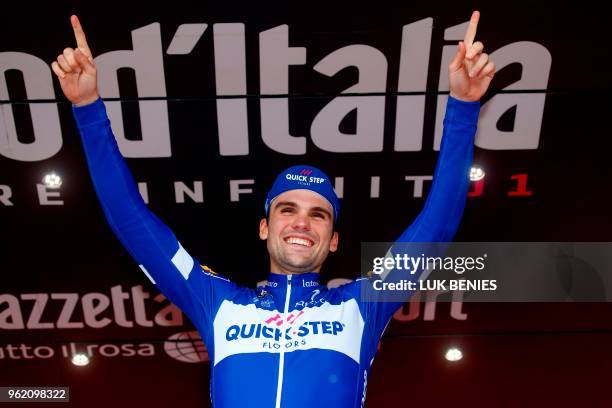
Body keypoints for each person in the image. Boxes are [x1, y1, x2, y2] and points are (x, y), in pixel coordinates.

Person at [51, 11, 494, 408]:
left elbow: (434, 227)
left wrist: (464, 107)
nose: (302, 221)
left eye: (318, 214)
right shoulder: (218, 302)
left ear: (333, 239)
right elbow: (131, 221)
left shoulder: (359, 306)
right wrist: (88, 109)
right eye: (288, 210)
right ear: (264, 227)